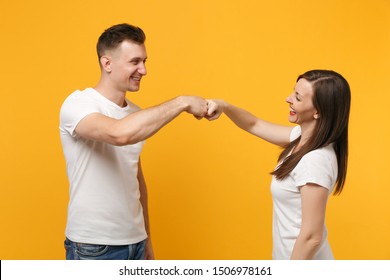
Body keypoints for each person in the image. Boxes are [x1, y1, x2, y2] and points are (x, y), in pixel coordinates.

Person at [59, 23, 208, 260]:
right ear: (107, 63)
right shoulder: (78, 104)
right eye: (135, 62)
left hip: (135, 243)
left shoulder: (135, 115)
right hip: (94, 247)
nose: (144, 70)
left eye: (145, 61)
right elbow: (119, 134)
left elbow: (135, 179)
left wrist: (146, 237)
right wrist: (182, 102)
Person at [206, 70, 351, 259]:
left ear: (318, 111)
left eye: (297, 98)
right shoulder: (302, 139)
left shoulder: (315, 160)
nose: (288, 99)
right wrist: (224, 106)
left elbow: (311, 237)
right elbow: (254, 124)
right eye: (293, 92)